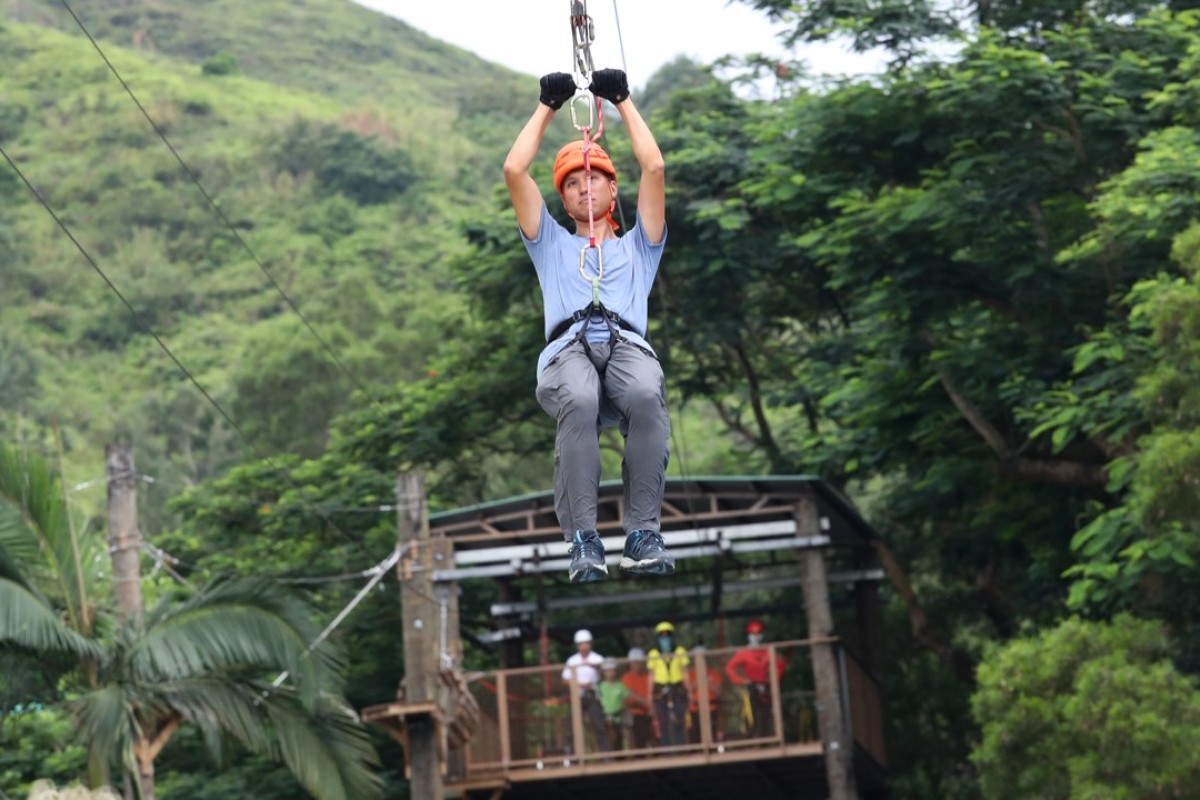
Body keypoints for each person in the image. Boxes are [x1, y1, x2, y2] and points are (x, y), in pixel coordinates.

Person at [503, 67, 675, 584]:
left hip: (627, 344)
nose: (583, 189)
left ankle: (643, 533)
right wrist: (547, 107)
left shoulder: (640, 245)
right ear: (563, 197)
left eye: (592, 179)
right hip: (567, 348)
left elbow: (655, 167)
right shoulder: (550, 243)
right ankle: (583, 537)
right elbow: (514, 170)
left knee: (646, 395)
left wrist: (621, 101)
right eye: (573, 184)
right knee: (576, 399)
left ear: (611, 187)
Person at [724, 620, 786, 739]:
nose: (756, 638)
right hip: (751, 686)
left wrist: (774, 680)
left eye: (758, 634)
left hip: (766, 686)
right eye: (753, 634)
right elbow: (730, 668)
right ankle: (752, 737)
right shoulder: (744, 653)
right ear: (748, 636)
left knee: (766, 713)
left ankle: (766, 737)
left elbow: (780, 665)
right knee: (752, 713)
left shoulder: (768, 651)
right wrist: (740, 681)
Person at [562, 629, 609, 753]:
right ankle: (573, 756)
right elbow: (565, 679)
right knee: (573, 727)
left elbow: (606, 674)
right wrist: (580, 685)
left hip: (593, 695)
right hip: (578, 696)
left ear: (590, 644)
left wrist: (595, 669)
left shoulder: (598, 658)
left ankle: (606, 755)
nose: (584, 646)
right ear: (577, 645)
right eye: (581, 644)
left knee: (599, 725)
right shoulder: (572, 660)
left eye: (586, 643)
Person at [646, 621, 690, 747]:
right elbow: (651, 674)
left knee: (679, 717)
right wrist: (649, 694)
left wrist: (688, 690)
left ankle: (681, 746)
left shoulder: (680, 651)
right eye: (662, 637)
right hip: (660, 688)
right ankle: (666, 748)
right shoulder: (653, 653)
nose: (665, 639)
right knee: (663, 720)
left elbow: (685, 671)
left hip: (677, 687)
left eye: (667, 636)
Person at [685, 645, 724, 744]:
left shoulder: (714, 673)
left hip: (711, 708)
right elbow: (687, 689)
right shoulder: (690, 674)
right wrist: (699, 680)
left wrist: (707, 682)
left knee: (712, 733)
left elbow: (719, 691)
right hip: (695, 709)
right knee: (695, 735)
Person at [621, 647, 655, 751]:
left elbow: (653, 692)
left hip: (650, 712)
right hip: (635, 713)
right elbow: (631, 695)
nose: (637, 665)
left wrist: (651, 706)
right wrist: (646, 702)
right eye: (634, 663)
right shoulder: (626, 678)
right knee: (639, 732)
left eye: (639, 662)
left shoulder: (648, 676)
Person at [598, 658, 629, 752]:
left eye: (612, 670)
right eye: (607, 671)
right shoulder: (601, 686)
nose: (610, 673)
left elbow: (625, 699)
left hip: (618, 717)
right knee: (609, 736)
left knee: (619, 738)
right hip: (605, 717)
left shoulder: (620, 685)